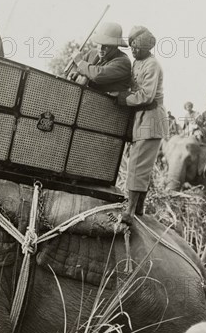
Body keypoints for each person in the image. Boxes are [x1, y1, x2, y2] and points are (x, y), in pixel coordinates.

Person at [113, 26, 168, 225]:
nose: (133, 51)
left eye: (137, 48)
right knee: (141, 164)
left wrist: (121, 97)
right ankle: (138, 208)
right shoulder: (138, 62)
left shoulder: (152, 65)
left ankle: (130, 210)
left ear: (146, 47)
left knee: (137, 164)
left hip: (151, 117)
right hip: (142, 117)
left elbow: (146, 95)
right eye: (132, 48)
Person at [69, 22, 131, 93]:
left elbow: (98, 75)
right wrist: (76, 74)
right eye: (99, 43)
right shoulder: (92, 53)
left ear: (115, 45)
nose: (101, 48)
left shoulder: (123, 62)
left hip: (107, 103)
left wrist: (79, 62)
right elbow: (77, 69)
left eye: (106, 45)